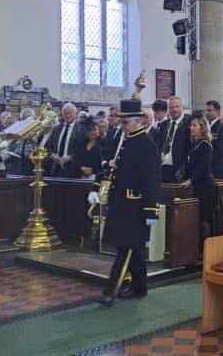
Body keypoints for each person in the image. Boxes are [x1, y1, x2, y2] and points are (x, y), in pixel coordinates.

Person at [88, 100, 160, 306]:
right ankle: (140, 287)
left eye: (126, 122)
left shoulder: (146, 144)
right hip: (119, 204)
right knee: (133, 250)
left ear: (138, 121)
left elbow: (152, 179)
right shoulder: (123, 140)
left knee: (125, 250)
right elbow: (111, 170)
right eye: (121, 121)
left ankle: (110, 291)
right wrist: (96, 188)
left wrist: (150, 210)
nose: (122, 125)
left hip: (135, 207)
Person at [181, 116, 216, 241]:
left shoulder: (205, 144)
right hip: (197, 184)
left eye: (195, 125)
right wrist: (183, 174)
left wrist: (190, 180)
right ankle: (199, 248)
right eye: (191, 125)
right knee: (197, 217)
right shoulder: (194, 143)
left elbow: (203, 167)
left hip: (206, 185)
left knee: (204, 217)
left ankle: (208, 248)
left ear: (202, 128)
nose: (192, 128)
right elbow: (191, 164)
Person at [158, 96, 192, 183]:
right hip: (163, 168)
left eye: (177, 106)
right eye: (171, 107)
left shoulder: (189, 124)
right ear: (168, 110)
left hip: (179, 169)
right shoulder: (163, 125)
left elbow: (190, 150)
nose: (174, 110)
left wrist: (183, 169)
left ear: (182, 107)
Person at [48, 103, 82, 178]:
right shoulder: (56, 129)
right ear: (62, 115)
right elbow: (49, 147)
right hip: (56, 169)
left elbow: (82, 148)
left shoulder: (81, 129)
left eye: (70, 113)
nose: (67, 115)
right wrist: (53, 156)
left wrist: (70, 157)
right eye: (65, 113)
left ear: (75, 114)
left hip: (74, 169)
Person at [205, 100, 223, 179]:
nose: (206, 113)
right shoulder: (204, 127)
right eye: (206, 110)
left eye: (209, 110)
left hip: (216, 168)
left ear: (217, 112)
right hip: (204, 168)